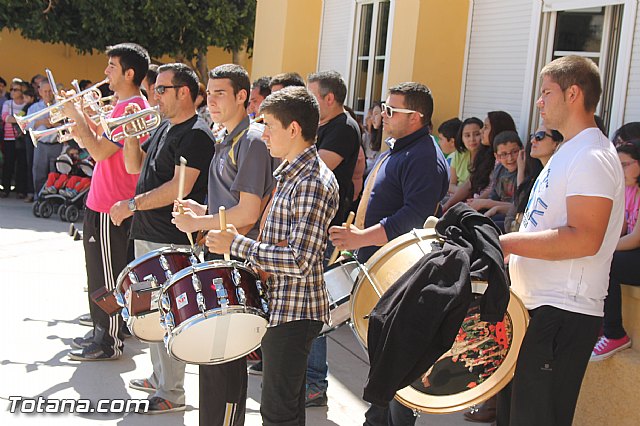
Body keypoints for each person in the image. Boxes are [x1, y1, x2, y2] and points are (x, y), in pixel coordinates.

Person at [499, 55, 624, 426]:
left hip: (563, 314)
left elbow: (584, 239)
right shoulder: (568, 151)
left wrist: (508, 244)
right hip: (537, 310)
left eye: (545, 93)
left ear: (573, 93)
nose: (538, 102)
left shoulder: (591, 155)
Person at [205, 86, 339, 426]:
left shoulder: (311, 181)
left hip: (294, 310)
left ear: (293, 129)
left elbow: (299, 259)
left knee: (278, 412)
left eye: (270, 127)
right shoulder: (293, 174)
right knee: (285, 409)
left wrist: (235, 244)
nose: (263, 135)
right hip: (282, 306)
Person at [329, 82, 449, 426]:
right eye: (385, 107)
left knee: (397, 361)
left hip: (401, 274)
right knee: (383, 358)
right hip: (378, 267)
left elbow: (415, 217)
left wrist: (362, 237)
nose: (384, 114)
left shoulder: (425, 156)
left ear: (417, 117)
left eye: (392, 110)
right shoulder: (397, 148)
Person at [172, 63, 276, 426]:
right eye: (209, 92)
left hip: (234, 262)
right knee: (212, 361)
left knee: (225, 362)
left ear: (243, 96)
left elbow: (248, 212)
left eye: (221, 93)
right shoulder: (228, 137)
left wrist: (196, 222)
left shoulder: (250, 140)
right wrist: (201, 209)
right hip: (217, 254)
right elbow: (231, 202)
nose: (211, 100)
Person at [112, 62, 214, 413]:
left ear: (184, 92)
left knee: (168, 311)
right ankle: (160, 378)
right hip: (149, 234)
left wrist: (131, 204)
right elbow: (134, 167)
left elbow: (178, 187)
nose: (154, 96)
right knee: (151, 311)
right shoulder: (165, 126)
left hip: (170, 239)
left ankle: (173, 391)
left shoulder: (196, 133)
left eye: (161, 90)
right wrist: (128, 134)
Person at [63, 42, 150, 361]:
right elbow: (99, 141)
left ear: (129, 73)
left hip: (111, 204)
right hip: (102, 200)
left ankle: (108, 339)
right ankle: (104, 328)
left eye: (111, 66)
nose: (105, 73)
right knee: (99, 272)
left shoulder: (133, 108)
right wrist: (82, 117)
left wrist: (76, 117)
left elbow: (98, 151)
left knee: (106, 275)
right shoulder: (121, 104)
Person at [306, 70, 361, 407]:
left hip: (329, 229)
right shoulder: (324, 126)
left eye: (312, 97)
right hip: (318, 226)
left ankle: (314, 382)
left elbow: (316, 166)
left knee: (315, 306)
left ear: (329, 98)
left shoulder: (342, 128)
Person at [590, 140, 640, 361]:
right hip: (632, 253)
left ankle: (614, 334)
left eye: (625, 164)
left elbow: (636, 239)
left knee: (606, 262)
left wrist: (601, 248)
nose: (620, 171)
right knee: (596, 258)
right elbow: (620, 230)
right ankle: (600, 325)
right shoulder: (628, 190)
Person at [443, 111, 517, 211]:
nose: (481, 131)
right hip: (476, 202)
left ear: (496, 130)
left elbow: (492, 189)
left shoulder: (506, 159)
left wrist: (472, 204)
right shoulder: (483, 153)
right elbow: (471, 182)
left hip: (489, 206)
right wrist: (449, 204)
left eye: (485, 127)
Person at [467, 130, 523, 231]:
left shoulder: (525, 172)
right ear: (497, 156)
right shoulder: (499, 170)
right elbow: (494, 197)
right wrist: (479, 203)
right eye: (504, 154)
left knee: (487, 226)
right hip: (498, 211)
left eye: (514, 152)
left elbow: (518, 207)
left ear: (522, 150)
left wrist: (488, 204)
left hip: (513, 217)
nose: (510, 158)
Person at [28, 80, 63, 202]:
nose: (48, 94)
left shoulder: (60, 106)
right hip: (41, 144)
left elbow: (67, 123)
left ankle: (54, 199)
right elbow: (28, 125)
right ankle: (39, 197)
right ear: (40, 92)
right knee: (39, 173)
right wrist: (43, 121)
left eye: (50, 91)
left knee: (56, 173)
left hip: (56, 144)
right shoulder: (34, 108)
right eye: (45, 91)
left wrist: (56, 123)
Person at [1, 78, 28, 198]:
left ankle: (20, 190)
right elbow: (5, 118)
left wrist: (14, 119)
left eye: (15, 89)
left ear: (22, 91)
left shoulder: (26, 104)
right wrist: (20, 120)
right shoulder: (7, 103)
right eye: (11, 89)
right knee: (8, 164)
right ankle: (5, 188)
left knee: (21, 165)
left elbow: (28, 121)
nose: (12, 91)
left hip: (21, 139)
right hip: (9, 138)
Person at [448, 117, 482, 195]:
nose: (472, 139)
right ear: (461, 138)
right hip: (457, 196)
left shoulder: (489, 156)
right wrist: (462, 193)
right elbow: (451, 185)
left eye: (477, 134)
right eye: (467, 135)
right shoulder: (458, 155)